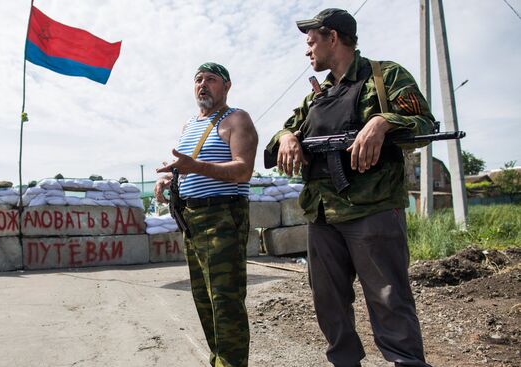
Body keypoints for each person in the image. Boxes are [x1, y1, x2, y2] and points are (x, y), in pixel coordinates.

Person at [265, 8, 435, 367]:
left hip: (372, 210)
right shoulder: (317, 96)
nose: (307, 50)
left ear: (333, 37)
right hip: (322, 213)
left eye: (312, 42)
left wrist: (383, 121)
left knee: (389, 299)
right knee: (328, 302)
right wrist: (288, 138)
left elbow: (424, 122)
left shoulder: (384, 76)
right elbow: (279, 134)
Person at [155, 62, 258, 367]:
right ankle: (219, 361)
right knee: (204, 299)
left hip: (223, 216)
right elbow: (187, 168)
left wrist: (195, 167)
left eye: (211, 79)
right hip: (192, 219)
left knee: (225, 300)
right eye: (198, 80)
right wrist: (169, 178)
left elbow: (243, 170)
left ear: (226, 85)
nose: (202, 84)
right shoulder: (190, 126)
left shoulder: (236, 119)